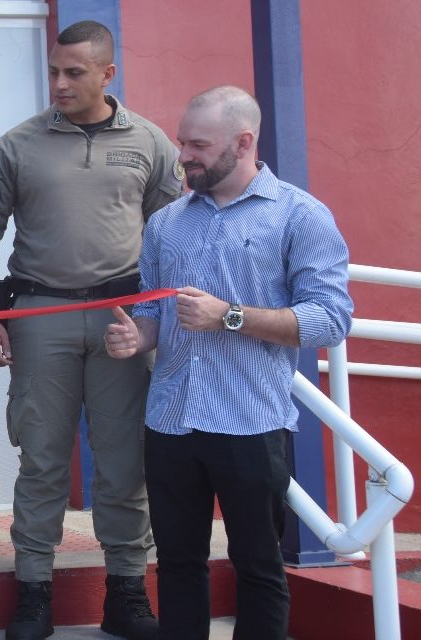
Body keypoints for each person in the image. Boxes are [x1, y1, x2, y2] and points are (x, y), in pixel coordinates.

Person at [105, 85, 353, 640]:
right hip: (171, 420)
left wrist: (230, 317)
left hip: (250, 422)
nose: (183, 156)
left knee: (258, 566)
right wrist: (137, 337)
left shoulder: (300, 216)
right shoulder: (167, 223)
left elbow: (331, 319)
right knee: (176, 563)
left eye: (198, 145)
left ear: (243, 143)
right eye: (182, 142)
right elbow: (154, 309)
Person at [0, 20, 184, 640]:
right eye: (53, 71)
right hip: (41, 315)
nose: (60, 83)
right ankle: (33, 594)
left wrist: (156, 324)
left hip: (125, 319)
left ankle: (126, 593)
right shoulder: (16, 145)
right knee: (41, 459)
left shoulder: (150, 144)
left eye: (74, 72)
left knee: (124, 462)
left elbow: (174, 239)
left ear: (107, 74)